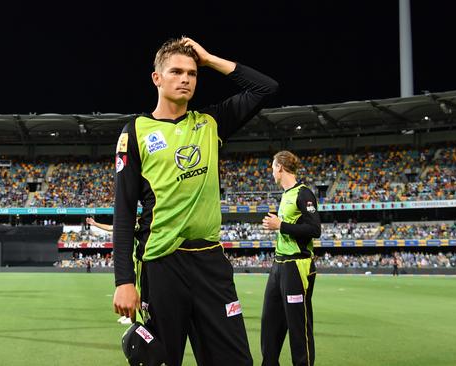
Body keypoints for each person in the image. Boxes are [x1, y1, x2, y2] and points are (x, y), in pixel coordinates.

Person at [113, 36, 278, 365]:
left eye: (192, 72)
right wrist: (124, 281)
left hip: (210, 264)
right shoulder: (135, 131)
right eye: (175, 71)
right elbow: (123, 211)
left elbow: (266, 89)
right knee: (160, 359)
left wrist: (210, 59)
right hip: (162, 265)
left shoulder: (211, 123)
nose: (186, 78)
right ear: (156, 78)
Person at [260, 150, 321, 366]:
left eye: (272, 166)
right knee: (269, 323)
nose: (271, 171)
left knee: (298, 326)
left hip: (297, 266)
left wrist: (280, 225)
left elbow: (315, 229)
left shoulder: (303, 194)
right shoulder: (286, 194)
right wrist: (277, 224)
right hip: (279, 265)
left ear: (280, 168)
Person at [86, 217, 132, 325]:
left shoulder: (138, 226)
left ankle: (132, 316)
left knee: (134, 289)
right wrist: (95, 223)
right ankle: (128, 315)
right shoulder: (128, 226)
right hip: (131, 260)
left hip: (135, 260)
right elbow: (110, 228)